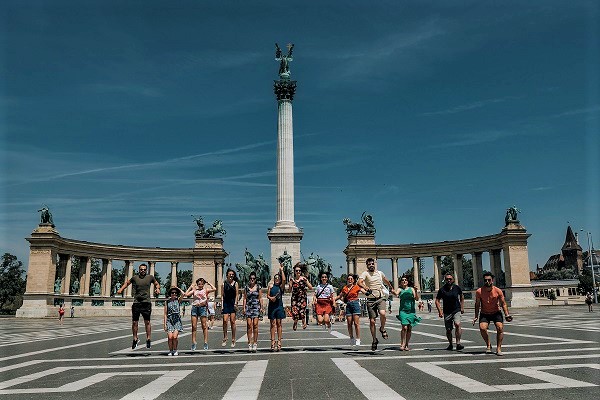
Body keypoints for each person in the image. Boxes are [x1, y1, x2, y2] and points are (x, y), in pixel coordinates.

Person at [117, 263, 160, 350]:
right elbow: (127, 283)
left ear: (146, 270)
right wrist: (121, 289)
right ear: (139, 270)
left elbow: (157, 283)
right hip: (137, 302)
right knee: (134, 322)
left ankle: (148, 339)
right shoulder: (135, 278)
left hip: (146, 302)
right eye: (141, 269)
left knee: (147, 322)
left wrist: (158, 288)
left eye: (144, 269)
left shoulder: (150, 277)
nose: (143, 271)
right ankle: (135, 338)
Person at [473, 272, 513, 356]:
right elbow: (477, 304)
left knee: (500, 327)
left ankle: (498, 348)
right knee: (482, 328)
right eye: (485, 280)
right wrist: (476, 316)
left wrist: (507, 314)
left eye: (489, 280)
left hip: (496, 312)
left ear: (492, 281)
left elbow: (503, 303)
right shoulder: (479, 291)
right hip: (485, 313)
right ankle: (488, 344)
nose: (487, 282)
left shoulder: (498, 291)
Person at [357, 258, 393, 351]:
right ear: (367, 265)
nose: (371, 265)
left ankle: (382, 328)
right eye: (369, 264)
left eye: (372, 263)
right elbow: (359, 282)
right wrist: (365, 287)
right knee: (372, 321)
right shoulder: (365, 273)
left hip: (380, 298)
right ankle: (374, 340)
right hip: (370, 300)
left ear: (375, 264)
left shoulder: (380, 273)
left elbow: (386, 281)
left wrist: (391, 287)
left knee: (383, 313)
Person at [334, 274, 367, 348]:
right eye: (348, 279)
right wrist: (333, 300)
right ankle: (351, 338)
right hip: (348, 304)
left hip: (355, 303)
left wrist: (368, 291)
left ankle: (358, 338)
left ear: (354, 280)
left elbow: (363, 291)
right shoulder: (345, 288)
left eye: (351, 279)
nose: (350, 280)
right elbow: (340, 296)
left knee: (356, 323)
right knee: (349, 323)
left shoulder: (356, 287)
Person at [435, 273, 465, 351]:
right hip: (447, 311)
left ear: (453, 280)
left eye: (450, 279)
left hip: (456, 309)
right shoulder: (442, 289)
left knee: (457, 324)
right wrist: (440, 311)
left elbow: (462, 296)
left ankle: (458, 343)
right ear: (445, 280)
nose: (449, 280)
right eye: (447, 279)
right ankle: (451, 344)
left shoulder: (457, 288)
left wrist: (462, 307)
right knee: (448, 329)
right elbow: (437, 300)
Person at [184, 278, 216, 351]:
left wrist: (209, 282)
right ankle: (193, 342)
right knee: (194, 326)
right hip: (195, 308)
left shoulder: (206, 290)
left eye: (201, 283)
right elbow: (186, 294)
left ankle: (205, 342)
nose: (200, 285)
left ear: (203, 284)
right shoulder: (194, 290)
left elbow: (214, 289)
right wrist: (190, 286)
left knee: (204, 326)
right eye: (199, 284)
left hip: (202, 308)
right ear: (197, 284)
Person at [394, 275, 421, 351]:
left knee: (409, 328)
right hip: (403, 311)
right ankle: (402, 343)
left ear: (407, 282)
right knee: (404, 327)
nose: (404, 281)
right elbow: (396, 294)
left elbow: (416, 298)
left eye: (405, 280)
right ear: (400, 282)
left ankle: (407, 344)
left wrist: (415, 291)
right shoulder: (399, 289)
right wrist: (393, 292)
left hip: (411, 311)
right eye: (403, 280)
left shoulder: (411, 289)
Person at [288, 263, 313, 330]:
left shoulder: (304, 278)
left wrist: (306, 282)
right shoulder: (292, 280)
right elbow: (289, 291)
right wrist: (290, 286)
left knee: (302, 311)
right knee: (295, 312)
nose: (298, 272)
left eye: (299, 270)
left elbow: (310, 287)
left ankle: (304, 322)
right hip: (295, 298)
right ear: (294, 272)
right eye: (296, 271)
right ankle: (295, 322)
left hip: (302, 298)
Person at [243, 271, 263, 353]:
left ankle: (255, 343)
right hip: (248, 307)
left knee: (255, 325)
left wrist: (261, 307)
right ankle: (249, 343)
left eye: (253, 278)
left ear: (255, 279)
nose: (252, 280)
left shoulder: (258, 287)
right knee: (249, 325)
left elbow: (260, 297)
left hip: (256, 307)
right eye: (251, 278)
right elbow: (244, 298)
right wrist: (244, 308)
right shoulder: (246, 287)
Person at [267, 265, 286, 351]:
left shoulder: (281, 287)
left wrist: (281, 270)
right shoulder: (271, 286)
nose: (277, 279)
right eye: (276, 278)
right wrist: (271, 298)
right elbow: (267, 295)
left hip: (279, 306)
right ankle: (272, 341)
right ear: (274, 279)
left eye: (278, 278)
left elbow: (284, 280)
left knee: (279, 323)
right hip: (272, 306)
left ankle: (279, 341)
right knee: (272, 324)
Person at [164, 287, 184, 356]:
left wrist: (177, 288)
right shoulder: (167, 302)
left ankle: (175, 350)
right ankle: (170, 350)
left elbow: (183, 294)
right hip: (169, 320)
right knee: (170, 337)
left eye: (175, 292)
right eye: (172, 293)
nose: (174, 294)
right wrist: (165, 324)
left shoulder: (178, 300)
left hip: (177, 320)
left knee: (175, 337)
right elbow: (165, 314)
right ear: (170, 294)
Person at [222, 268, 239, 347]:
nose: (231, 275)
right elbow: (222, 295)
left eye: (232, 274)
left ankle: (233, 338)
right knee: (225, 320)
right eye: (230, 274)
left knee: (232, 321)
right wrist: (222, 304)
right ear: (227, 275)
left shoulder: (236, 283)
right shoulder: (223, 283)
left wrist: (236, 303)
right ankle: (225, 337)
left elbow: (237, 294)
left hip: (232, 303)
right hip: (226, 302)